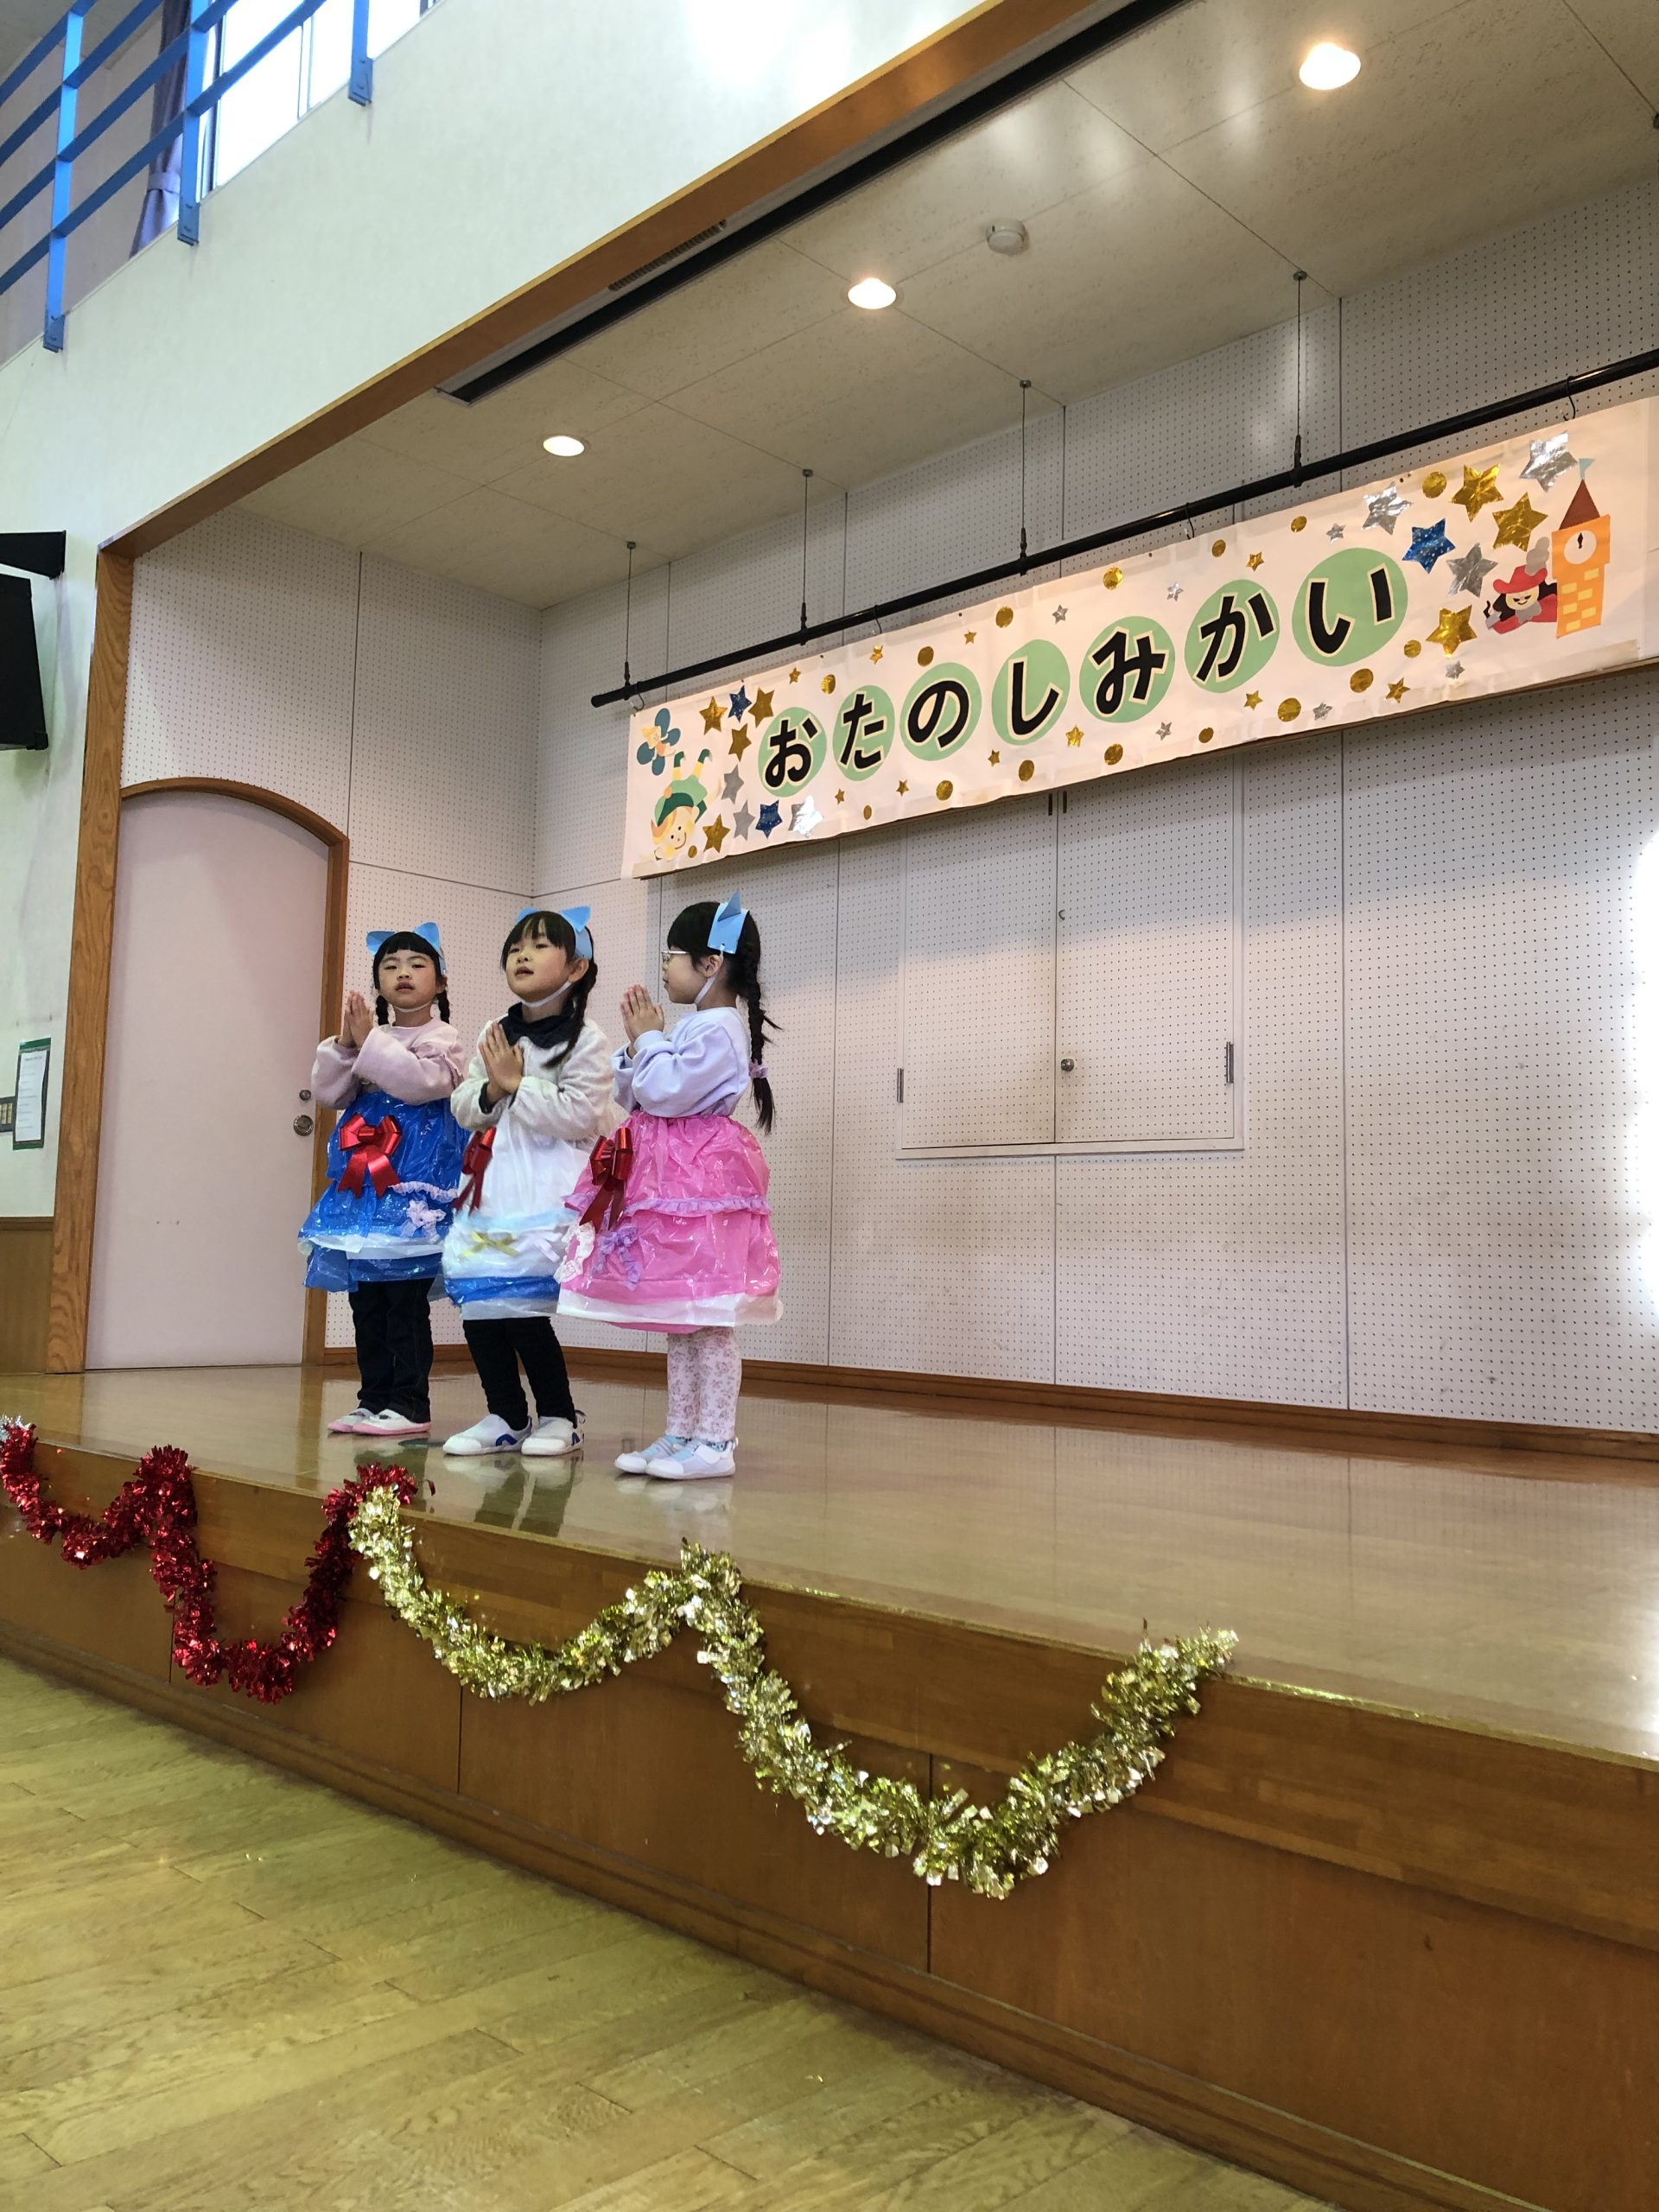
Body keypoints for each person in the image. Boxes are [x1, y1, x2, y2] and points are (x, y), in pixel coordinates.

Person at [558, 892, 779, 1480]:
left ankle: (716, 1441)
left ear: (711, 963)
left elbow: (667, 1092)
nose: (663, 966)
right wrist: (643, 1044)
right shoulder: (696, 1025)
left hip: (699, 1181)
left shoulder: (721, 1029)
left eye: (672, 954)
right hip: (673, 1175)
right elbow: (636, 1092)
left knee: (708, 1320)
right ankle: (682, 1432)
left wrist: (650, 1040)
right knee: (681, 1320)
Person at [441, 906, 613, 1459]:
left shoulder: (586, 1038)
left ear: (576, 968)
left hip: (546, 1190)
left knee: (524, 1309)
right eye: (516, 947)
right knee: (480, 1306)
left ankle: (559, 1415)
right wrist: (492, 1091)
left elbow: (581, 1115)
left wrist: (518, 1086)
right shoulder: (495, 1030)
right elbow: (464, 1106)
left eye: (540, 946)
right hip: (491, 1185)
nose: (523, 955)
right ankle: (506, 1415)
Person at [302, 926, 467, 1440]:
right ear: (378, 983)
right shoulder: (369, 1041)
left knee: (403, 1300)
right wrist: (345, 1045)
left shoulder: (444, 1039)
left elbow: (421, 1085)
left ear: (441, 982)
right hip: (364, 1189)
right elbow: (328, 1093)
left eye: (416, 964)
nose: (402, 973)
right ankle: (372, 1399)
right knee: (366, 1299)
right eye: (390, 966)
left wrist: (369, 1042)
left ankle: (410, 1403)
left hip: (413, 1185)